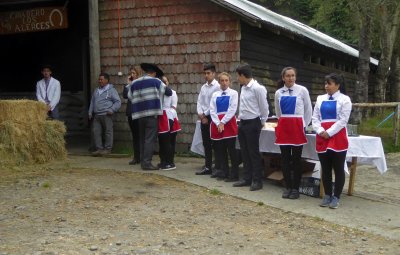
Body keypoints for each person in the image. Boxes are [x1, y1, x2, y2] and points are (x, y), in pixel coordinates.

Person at [312, 73, 352, 209]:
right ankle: (327, 195)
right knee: (326, 168)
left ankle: (336, 197)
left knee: (338, 168)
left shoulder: (345, 100)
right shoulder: (320, 99)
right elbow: (315, 117)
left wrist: (329, 132)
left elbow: (343, 120)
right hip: (322, 136)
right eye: (325, 83)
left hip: (337, 137)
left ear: (337, 85)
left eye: (329, 84)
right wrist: (320, 130)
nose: (326, 86)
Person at [274, 67, 312, 199]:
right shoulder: (279, 93)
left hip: (297, 128)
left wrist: (304, 125)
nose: (290, 78)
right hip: (284, 127)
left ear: (295, 77)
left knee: (296, 159)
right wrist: (283, 123)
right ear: (283, 78)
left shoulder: (302, 90)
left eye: (293, 76)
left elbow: (308, 110)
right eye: (288, 76)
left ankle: (296, 188)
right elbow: (278, 112)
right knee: (284, 159)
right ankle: (288, 187)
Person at [128, 63, 172, 170]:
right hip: (152, 114)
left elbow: (129, 96)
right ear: (154, 73)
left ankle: (143, 160)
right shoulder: (156, 81)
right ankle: (147, 163)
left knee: (142, 139)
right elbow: (168, 92)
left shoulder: (134, 82)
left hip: (139, 115)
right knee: (149, 139)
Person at [233, 64, 269, 191]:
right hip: (242, 122)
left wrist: (262, 121)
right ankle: (246, 178)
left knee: (253, 153)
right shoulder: (243, 88)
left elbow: (264, 107)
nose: (237, 78)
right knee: (244, 152)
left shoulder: (258, 88)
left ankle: (257, 180)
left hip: (253, 122)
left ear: (243, 75)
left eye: (238, 76)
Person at [209, 72, 239, 182]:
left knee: (232, 150)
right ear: (219, 82)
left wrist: (223, 122)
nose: (224, 82)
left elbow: (232, 109)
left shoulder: (233, 93)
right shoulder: (215, 94)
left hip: (229, 123)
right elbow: (212, 110)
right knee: (221, 151)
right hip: (218, 125)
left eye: (226, 80)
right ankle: (224, 172)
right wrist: (217, 123)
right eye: (222, 80)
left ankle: (234, 174)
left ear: (229, 82)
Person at [195, 63, 220, 175]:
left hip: (212, 117)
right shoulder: (203, 87)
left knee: (215, 142)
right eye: (205, 73)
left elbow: (214, 104)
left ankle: (217, 166)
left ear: (214, 74)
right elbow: (199, 101)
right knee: (206, 143)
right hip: (203, 117)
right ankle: (207, 166)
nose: (206, 75)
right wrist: (200, 114)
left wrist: (205, 114)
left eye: (208, 73)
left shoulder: (217, 86)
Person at [88, 73, 121, 156]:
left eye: (101, 79)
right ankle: (99, 149)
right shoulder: (96, 90)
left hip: (107, 114)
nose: (100, 81)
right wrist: (90, 112)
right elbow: (92, 101)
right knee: (96, 132)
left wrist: (112, 109)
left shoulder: (111, 90)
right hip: (97, 115)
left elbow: (118, 102)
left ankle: (108, 149)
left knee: (108, 132)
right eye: (99, 79)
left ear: (107, 80)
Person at [157, 75, 181, 170]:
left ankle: (170, 162)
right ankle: (163, 161)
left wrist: (169, 120)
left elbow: (173, 107)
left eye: (166, 81)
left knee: (169, 141)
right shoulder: (158, 93)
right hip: (161, 118)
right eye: (162, 82)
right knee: (162, 141)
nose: (164, 83)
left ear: (168, 82)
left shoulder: (173, 93)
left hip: (170, 118)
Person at [123, 66, 142, 165]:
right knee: (135, 136)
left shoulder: (140, 83)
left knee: (140, 135)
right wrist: (128, 85)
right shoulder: (129, 84)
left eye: (134, 73)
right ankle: (136, 157)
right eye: (131, 73)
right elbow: (125, 95)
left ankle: (142, 156)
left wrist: (132, 86)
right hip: (131, 112)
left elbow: (136, 95)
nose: (132, 75)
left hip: (139, 112)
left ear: (138, 74)